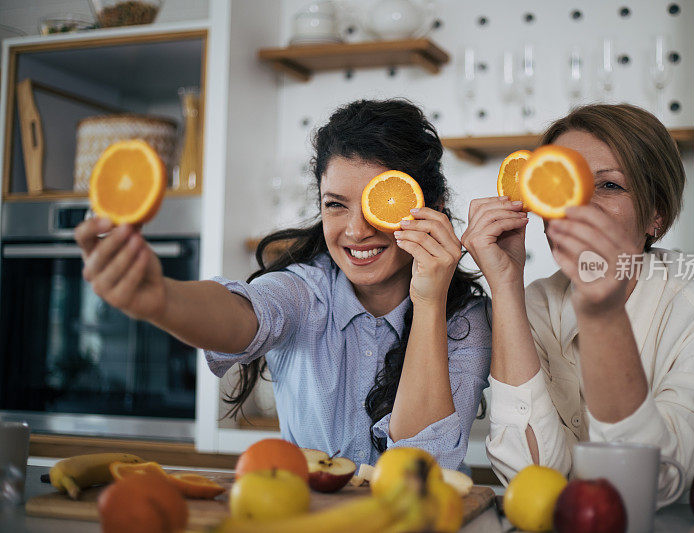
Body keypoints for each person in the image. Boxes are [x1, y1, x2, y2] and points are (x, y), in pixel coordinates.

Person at [75, 99, 491, 470]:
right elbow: (243, 314)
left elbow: (421, 467)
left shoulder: (465, 321)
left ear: (432, 210)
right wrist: (161, 298)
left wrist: (430, 301)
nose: (356, 230)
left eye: (380, 206)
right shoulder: (305, 292)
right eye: (335, 205)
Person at [461, 104, 694, 499]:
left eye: (608, 185)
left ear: (657, 214)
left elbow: (650, 485)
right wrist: (505, 284)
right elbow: (533, 478)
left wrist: (602, 312)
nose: (579, 205)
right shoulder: (534, 305)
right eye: (561, 185)